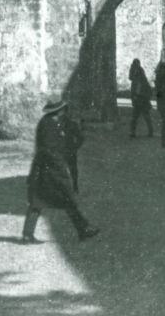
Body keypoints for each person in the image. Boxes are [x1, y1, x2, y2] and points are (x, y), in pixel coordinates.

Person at [23, 97, 99, 244]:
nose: (65, 111)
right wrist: (61, 165)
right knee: (62, 198)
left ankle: (82, 229)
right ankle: (83, 229)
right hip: (50, 169)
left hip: (45, 168)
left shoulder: (51, 122)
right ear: (59, 111)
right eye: (63, 109)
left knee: (42, 201)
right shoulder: (49, 125)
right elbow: (50, 150)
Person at [128, 59, 154, 138]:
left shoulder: (138, 78)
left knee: (136, 117)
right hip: (141, 99)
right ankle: (150, 131)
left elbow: (138, 88)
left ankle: (133, 132)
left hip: (140, 99)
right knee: (144, 116)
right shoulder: (140, 76)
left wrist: (135, 97)